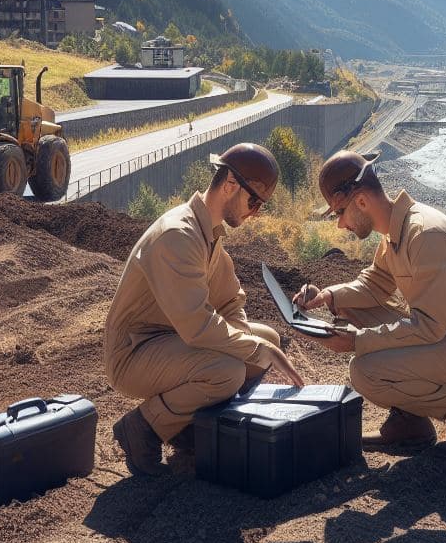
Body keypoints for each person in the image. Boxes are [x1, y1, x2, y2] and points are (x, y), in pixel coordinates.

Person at [105, 142, 304, 476]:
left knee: (263, 339)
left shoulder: (208, 233)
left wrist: (254, 345)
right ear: (229, 185)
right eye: (253, 201)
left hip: (169, 341)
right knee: (227, 371)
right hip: (134, 353)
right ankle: (143, 428)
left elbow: (229, 301)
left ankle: (191, 426)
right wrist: (255, 350)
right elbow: (197, 325)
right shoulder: (178, 236)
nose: (255, 212)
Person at [295, 150, 446, 457]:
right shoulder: (397, 230)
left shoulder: (425, 235)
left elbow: (429, 327)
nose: (340, 225)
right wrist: (328, 296)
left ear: (360, 201)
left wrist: (358, 341)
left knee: (366, 371)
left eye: (339, 213)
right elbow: (374, 285)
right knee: (354, 306)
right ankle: (411, 425)